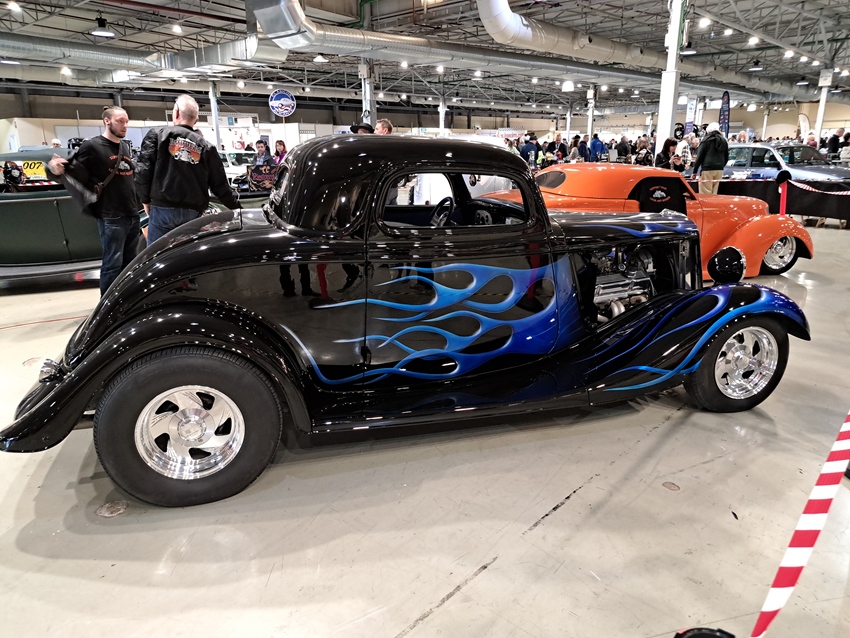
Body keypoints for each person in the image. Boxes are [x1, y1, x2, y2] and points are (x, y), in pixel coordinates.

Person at [47, 106, 139, 295]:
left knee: (129, 264)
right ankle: (107, 305)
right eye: (120, 121)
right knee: (112, 265)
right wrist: (52, 168)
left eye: (126, 121)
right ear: (107, 121)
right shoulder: (92, 146)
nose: (125, 125)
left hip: (131, 214)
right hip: (111, 216)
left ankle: (126, 301)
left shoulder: (123, 146)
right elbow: (67, 169)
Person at [136, 94, 239, 245]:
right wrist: (237, 208)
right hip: (192, 212)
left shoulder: (157, 135)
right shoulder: (207, 147)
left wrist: (145, 200)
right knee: (187, 255)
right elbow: (220, 186)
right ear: (196, 120)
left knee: (157, 255)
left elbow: (142, 172)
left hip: (162, 208)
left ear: (176, 112)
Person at [691, 121, 729, 195]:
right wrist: (721, 165)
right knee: (714, 193)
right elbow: (726, 156)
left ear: (708, 131)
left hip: (707, 169)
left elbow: (699, 157)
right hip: (719, 170)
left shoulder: (706, 140)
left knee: (705, 193)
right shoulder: (724, 141)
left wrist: (695, 171)